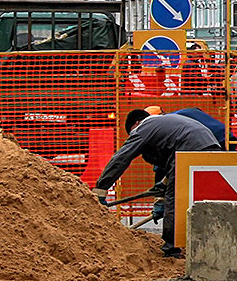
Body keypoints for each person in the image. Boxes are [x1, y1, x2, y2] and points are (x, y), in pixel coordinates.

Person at [94, 108, 222, 258]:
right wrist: (163, 185)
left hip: (190, 148)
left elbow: (122, 158)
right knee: (199, 199)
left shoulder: (144, 127)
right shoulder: (165, 125)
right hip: (210, 146)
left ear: (135, 124)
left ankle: (171, 249)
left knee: (174, 200)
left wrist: (101, 188)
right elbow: (170, 164)